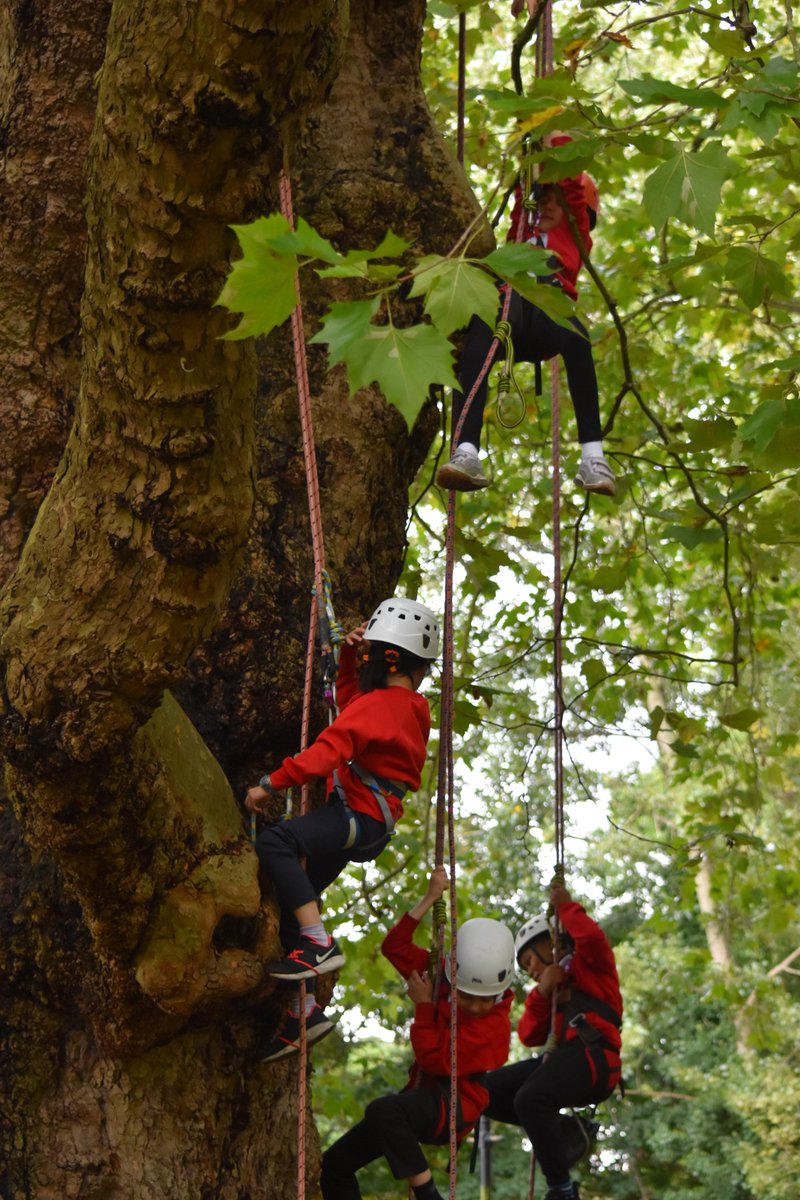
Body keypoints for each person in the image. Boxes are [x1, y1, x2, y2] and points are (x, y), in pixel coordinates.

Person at [245, 597, 439, 1061]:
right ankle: (305, 1009)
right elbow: (352, 704)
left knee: (277, 842)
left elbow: (331, 747)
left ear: (385, 659)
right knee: (298, 894)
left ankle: (318, 942)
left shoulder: (383, 707)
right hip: (368, 821)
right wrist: (351, 656)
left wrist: (271, 784)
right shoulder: (402, 706)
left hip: (357, 814)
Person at [436, 133, 616, 498]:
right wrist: (531, 149)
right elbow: (525, 190)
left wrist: (554, 130)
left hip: (549, 311)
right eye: (541, 198)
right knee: (475, 349)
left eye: (556, 201)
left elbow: (571, 184)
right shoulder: (522, 225)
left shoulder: (576, 233)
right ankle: (467, 450)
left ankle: (593, 457)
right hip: (510, 309)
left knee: (578, 340)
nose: (547, 205)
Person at [319, 867, 516, 1200]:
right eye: (465, 996)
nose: (474, 1007)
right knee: (334, 1166)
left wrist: (424, 1007)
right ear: (452, 974)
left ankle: (427, 1194)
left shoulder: (494, 1028)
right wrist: (429, 899)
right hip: (423, 1096)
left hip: (455, 1106)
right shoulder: (440, 975)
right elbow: (394, 947)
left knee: (384, 1110)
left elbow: (437, 1060)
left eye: (484, 1000)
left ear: (499, 993)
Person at [481, 878, 623, 1200]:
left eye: (530, 960)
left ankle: (561, 1188)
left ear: (553, 942)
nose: (530, 970)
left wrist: (565, 906)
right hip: (569, 1059)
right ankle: (560, 1132)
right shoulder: (549, 993)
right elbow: (529, 1034)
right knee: (485, 1091)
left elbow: (591, 938)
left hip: (595, 1059)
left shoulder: (592, 967)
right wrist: (544, 990)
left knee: (529, 1099)